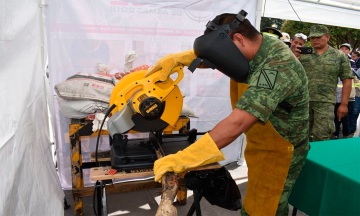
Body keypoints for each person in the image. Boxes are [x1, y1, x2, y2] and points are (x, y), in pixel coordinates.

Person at [146, 11, 309, 216]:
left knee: (267, 208)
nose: (222, 64)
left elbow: (238, 123)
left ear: (239, 39)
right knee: (256, 202)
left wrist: (181, 159)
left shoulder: (277, 67)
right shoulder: (258, 43)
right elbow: (225, 58)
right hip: (262, 143)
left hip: (281, 151)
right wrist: (181, 59)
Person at [299, 25, 353, 141]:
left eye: (318, 37)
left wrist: (344, 104)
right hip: (302, 102)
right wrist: (295, 56)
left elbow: (347, 80)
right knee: (300, 136)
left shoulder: (339, 56)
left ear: (327, 37)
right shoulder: (303, 54)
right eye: (312, 37)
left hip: (325, 104)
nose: (315, 40)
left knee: (322, 136)